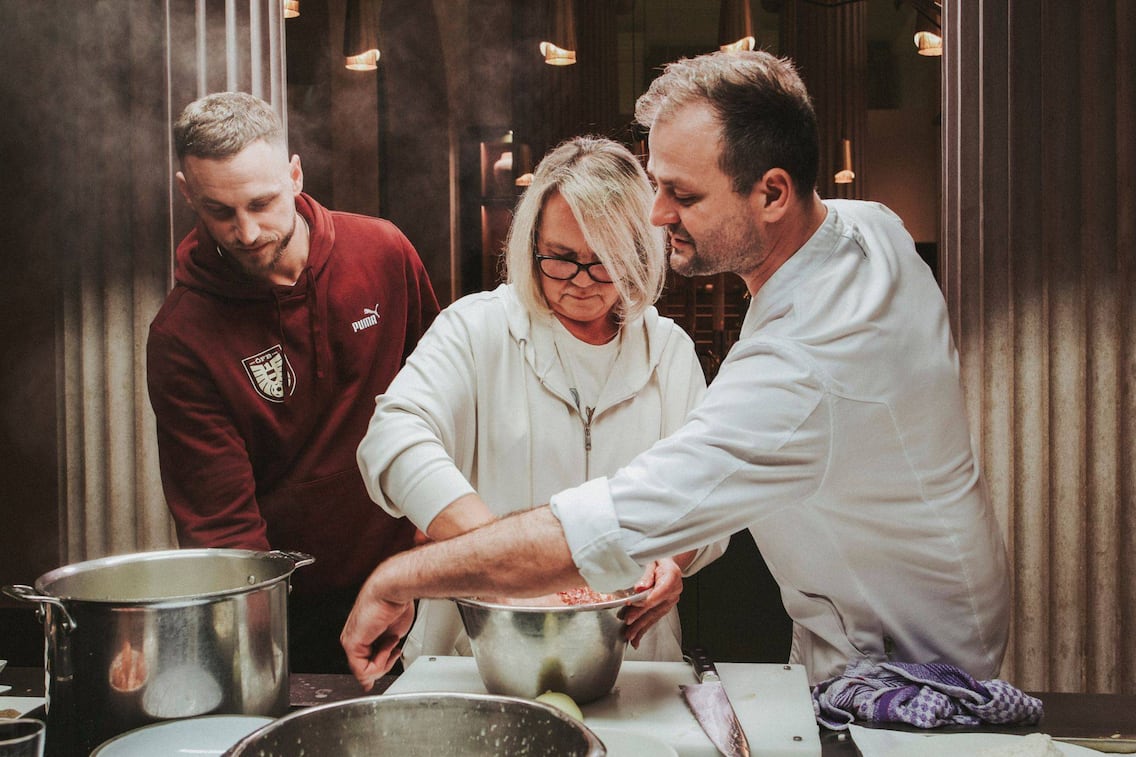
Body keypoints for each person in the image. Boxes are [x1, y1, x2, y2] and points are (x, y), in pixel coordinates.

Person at [341, 50, 1010, 690]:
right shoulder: (868, 227)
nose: (659, 215)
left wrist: (402, 575)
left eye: (681, 195)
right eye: (656, 185)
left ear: (773, 193)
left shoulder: (794, 368)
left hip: (905, 660)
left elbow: (613, 525)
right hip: (847, 628)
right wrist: (484, 555)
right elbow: (396, 436)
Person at [356, 136, 727, 666]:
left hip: (632, 649)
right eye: (560, 258)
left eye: (604, 262)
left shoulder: (668, 352)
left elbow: (709, 491)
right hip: (480, 644)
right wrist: (501, 560)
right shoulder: (477, 328)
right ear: (532, 246)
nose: (580, 282)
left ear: (640, 253)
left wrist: (673, 557)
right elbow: (392, 439)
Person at [146, 91, 440, 673]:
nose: (248, 232)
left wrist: (431, 556)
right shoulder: (182, 336)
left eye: (262, 202)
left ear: (295, 172)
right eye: (220, 211)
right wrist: (261, 649)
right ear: (186, 193)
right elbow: (224, 528)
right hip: (290, 610)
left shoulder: (381, 251)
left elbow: (453, 402)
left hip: (421, 577)